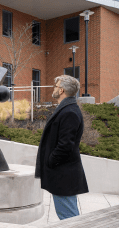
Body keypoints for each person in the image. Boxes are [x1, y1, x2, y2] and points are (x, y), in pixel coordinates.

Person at [36, 75, 89, 220]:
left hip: (63, 174)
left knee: (68, 217)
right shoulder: (67, 108)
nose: (54, 88)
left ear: (61, 90)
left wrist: (51, 161)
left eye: (56, 86)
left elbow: (65, 145)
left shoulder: (69, 112)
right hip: (63, 173)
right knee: (67, 215)